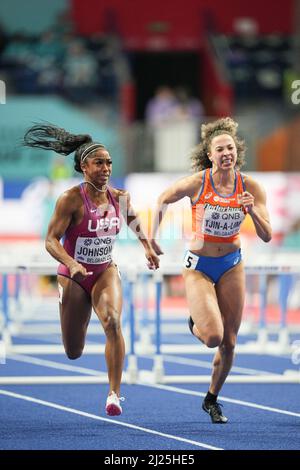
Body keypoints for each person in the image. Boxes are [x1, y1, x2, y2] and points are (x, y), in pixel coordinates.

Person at [23, 123, 160, 416]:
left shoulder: (119, 197)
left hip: (104, 271)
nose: (106, 168)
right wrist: (71, 263)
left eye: (109, 162)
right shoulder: (71, 199)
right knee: (74, 351)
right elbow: (50, 240)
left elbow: (133, 218)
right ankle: (82, 346)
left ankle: (114, 394)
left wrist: (146, 245)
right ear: (84, 167)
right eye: (99, 162)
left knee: (113, 321)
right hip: (73, 275)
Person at [151, 117, 272, 423]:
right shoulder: (198, 182)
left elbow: (267, 234)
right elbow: (164, 198)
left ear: (237, 151)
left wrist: (251, 212)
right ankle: (196, 321)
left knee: (230, 342)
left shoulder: (250, 187)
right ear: (210, 154)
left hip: (232, 265)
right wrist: (150, 237)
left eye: (230, 147)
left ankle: (212, 399)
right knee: (213, 337)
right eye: (220, 149)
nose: (226, 153)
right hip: (200, 266)